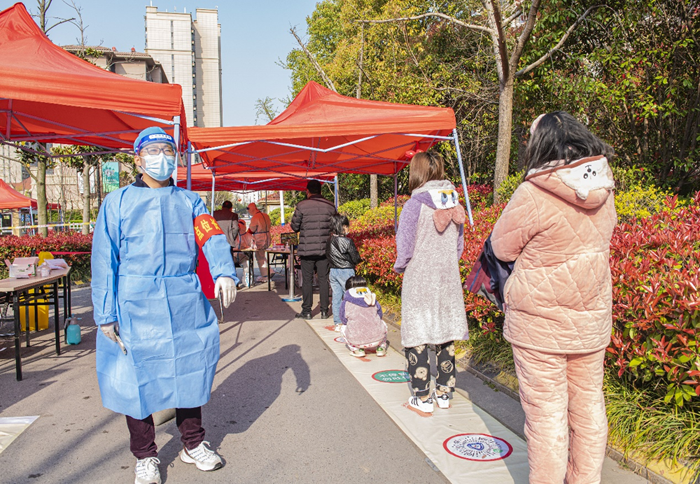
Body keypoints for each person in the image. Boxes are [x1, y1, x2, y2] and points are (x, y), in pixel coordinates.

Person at [91, 127, 239, 484]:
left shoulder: (190, 202)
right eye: (154, 150)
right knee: (135, 380)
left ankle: (193, 444)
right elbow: (104, 258)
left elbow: (211, 236)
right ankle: (145, 455)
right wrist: (106, 313)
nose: (162, 157)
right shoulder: (117, 202)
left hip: (183, 299)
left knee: (190, 370)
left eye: (169, 150)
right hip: (134, 302)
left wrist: (223, 271)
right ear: (138, 159)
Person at [490, 112, 617, 484]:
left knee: (546, 417)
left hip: (539, 324)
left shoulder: (532, 193)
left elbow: (502, 247)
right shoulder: (603, 187)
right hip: (590, 321)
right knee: (589, 409)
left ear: (540, 144)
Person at [394, 151, 468, 415]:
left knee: (418, 334)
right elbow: (459, 247)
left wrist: (400, 266)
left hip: (420, 278)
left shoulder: (414, 205)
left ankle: (422, 396)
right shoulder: (454, 203)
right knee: (445, 333)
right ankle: (444, 393)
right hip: (447, 279)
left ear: (417, 172)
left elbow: (405, 248)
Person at [290, 180, 337, 319]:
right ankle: (324, 311)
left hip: (307, 249)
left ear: (307, 191)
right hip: (324, 249)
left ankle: (307, 311)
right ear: (320, 191)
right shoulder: (330, 206)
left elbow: (295, 227)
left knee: (307, 280)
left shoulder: (301, 206)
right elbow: (335, 227)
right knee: (323, 279)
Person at [326, 214, 362, 331]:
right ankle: (350, 321)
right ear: (343, 226)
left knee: (336, 297)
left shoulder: (329, 240)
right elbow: (355, 257)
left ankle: (338, 322)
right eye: (347, 226)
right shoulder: (347, 241)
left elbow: (327, 255)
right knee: (350, 296)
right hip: (346, 271)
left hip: (333, 271)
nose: (348, 228)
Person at [338, 276, 388, 358]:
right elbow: (380, 315)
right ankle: (381, 348)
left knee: (343, 327)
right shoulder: (372, 298)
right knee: (383, 323)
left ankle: (357, 350)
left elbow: (343, 319)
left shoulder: (346, 302)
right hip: (378, 339)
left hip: (356, 341)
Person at [246, 202, 272, 281]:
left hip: (260, 238)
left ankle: (266, 275)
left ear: (252, 209)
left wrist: (246, 234)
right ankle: (268, 271)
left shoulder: (255, 217)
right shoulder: (266, 215)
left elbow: (252, 229)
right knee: (262, 255)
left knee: (259, 256)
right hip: (268, 236)